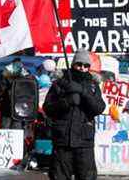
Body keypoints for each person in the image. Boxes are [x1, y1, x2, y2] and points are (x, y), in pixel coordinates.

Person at [43, 48, 106, 180]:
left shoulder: (93, 85)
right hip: (63, 141)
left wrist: (83, 93)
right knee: (59, 176)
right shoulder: (60, 83)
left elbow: (99, 108)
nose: (82, 68)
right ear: (73, 65)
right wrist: (66, 102)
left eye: (86, 66)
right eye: (79, 64)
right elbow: (48, 108)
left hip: (84, 142)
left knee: (86, 177)